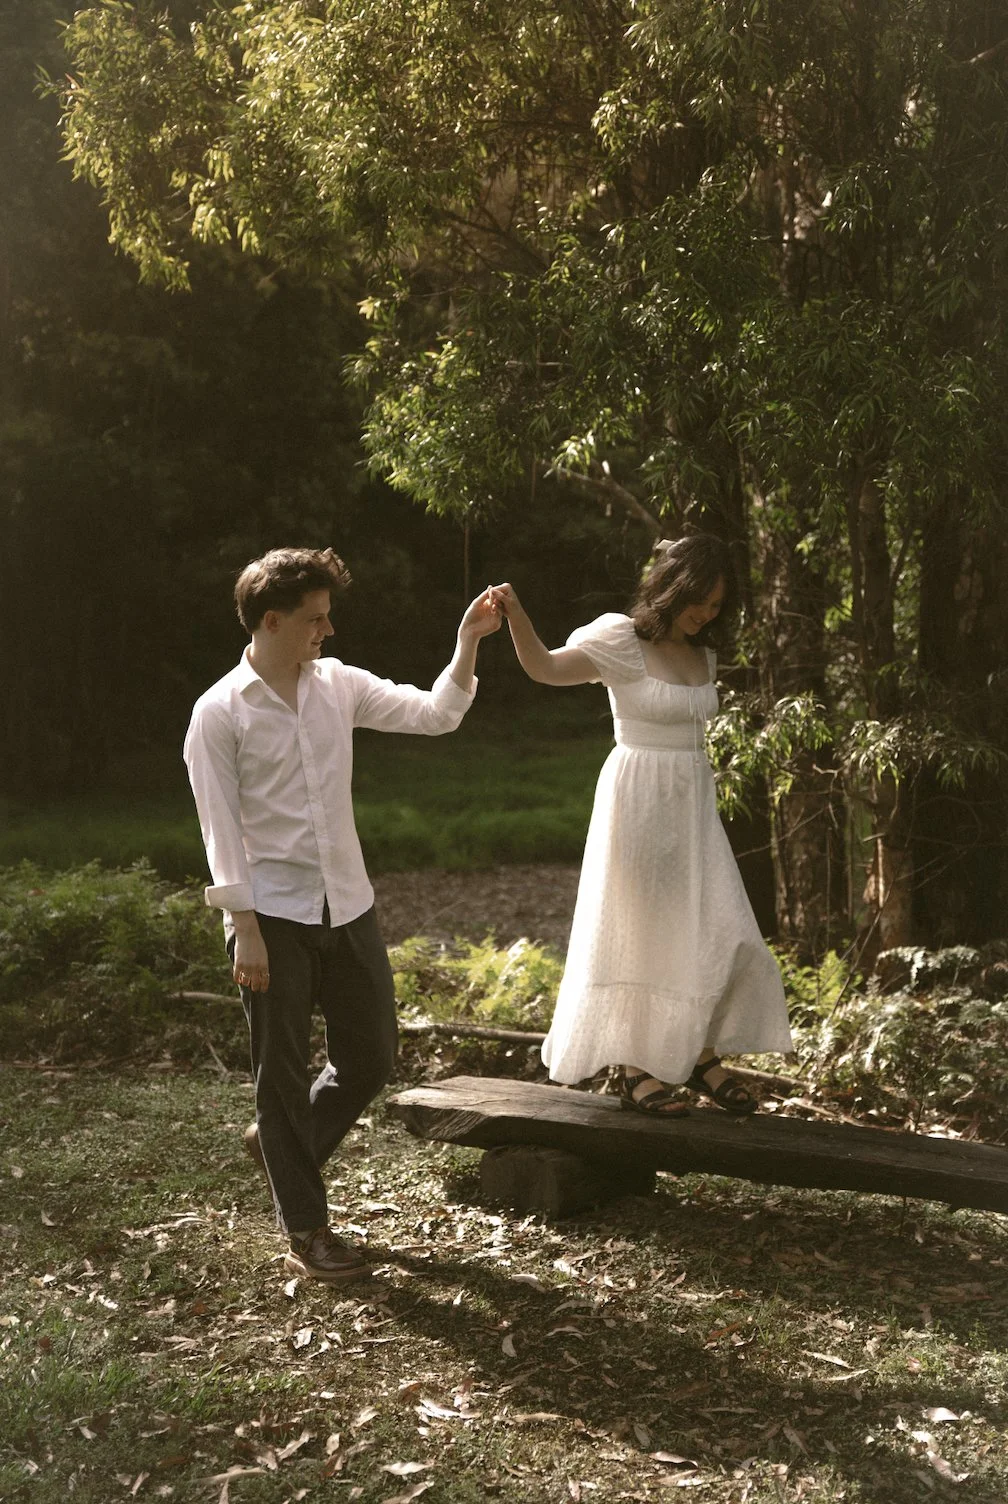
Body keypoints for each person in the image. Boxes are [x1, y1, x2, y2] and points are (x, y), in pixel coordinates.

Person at [184, 547, 500, 1284]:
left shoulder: (339, 686)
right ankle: (308, 1225)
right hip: (274, 915)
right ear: (272, 620)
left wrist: (467, 642)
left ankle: (279, 1145)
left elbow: (436, 714)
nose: (328, 630)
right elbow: (218, 830)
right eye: (315, 618)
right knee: (281, 1076)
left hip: (347, 903)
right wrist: (246, 929)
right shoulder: (218, 713)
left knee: (371, 1057)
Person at [488, 534, 792, 1116]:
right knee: (639, 928)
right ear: (674, 588)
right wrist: (518, 616)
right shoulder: (620, 640)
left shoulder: (705, 655)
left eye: (717, 605)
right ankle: (633, 1070)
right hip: (637, 798)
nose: (708, 614)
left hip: (693, 804)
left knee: (716, 927)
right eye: (700, 600)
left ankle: (700, 1056)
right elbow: (546, 669)